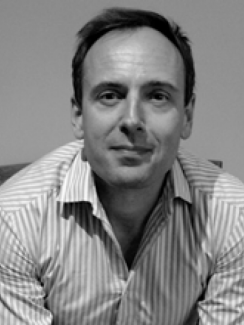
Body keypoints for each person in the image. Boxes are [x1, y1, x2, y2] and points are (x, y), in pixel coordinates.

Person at [0, 7, 244, 325]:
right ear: (78, 116)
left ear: (187, 116)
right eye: (110, 95)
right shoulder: (12, 220)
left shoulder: (235, 218)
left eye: (157, 96)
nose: (131, 120)